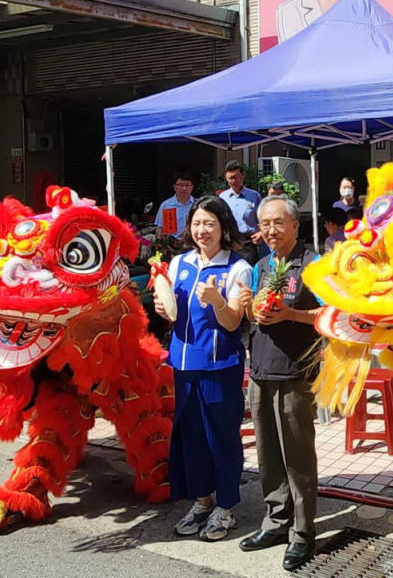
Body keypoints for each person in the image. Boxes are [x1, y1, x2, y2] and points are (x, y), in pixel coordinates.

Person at [153, 197, 251, 541]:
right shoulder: (179, 262)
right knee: (192, 437)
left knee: (221, 438)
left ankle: (226, 506)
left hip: (219, 366)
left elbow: (233, 322)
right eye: (197, 223)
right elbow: (172, 313)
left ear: (224, 227)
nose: (202, 230)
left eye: (210, 223)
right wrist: (163, 310)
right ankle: (203, 499)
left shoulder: (237, 268)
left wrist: (218, 301)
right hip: (182, 364)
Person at [236, 196, 322, 572]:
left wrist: (290, 313)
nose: (270, 230)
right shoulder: (260, 265)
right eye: (264, 223)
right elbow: (254, 311)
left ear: (294, 225)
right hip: (261, 370)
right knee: (268, 455)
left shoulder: (314, 264)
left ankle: (303, 532)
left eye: (278, 222)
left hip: (296, 372)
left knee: (298, 457)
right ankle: (275, 521)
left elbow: (329, 314)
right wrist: (245, 304)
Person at [219, 161, 264, 265]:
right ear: (226, 178)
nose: (233, 181)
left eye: (236, 177)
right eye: (230, 178)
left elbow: (262, 218)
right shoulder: (222, 197)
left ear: (243, 176)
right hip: (229, 241)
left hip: (248, 242)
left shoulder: (254, 196)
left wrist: (261, 232)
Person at [154, 172, 195, 239]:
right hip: (171, 246)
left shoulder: (197, 205)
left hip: (192, 245)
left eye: (187, 185)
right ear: (175, 187)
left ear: (192, 187)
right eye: (181, 185)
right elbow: (160, 228)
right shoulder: (166, 205)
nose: (184, 188)